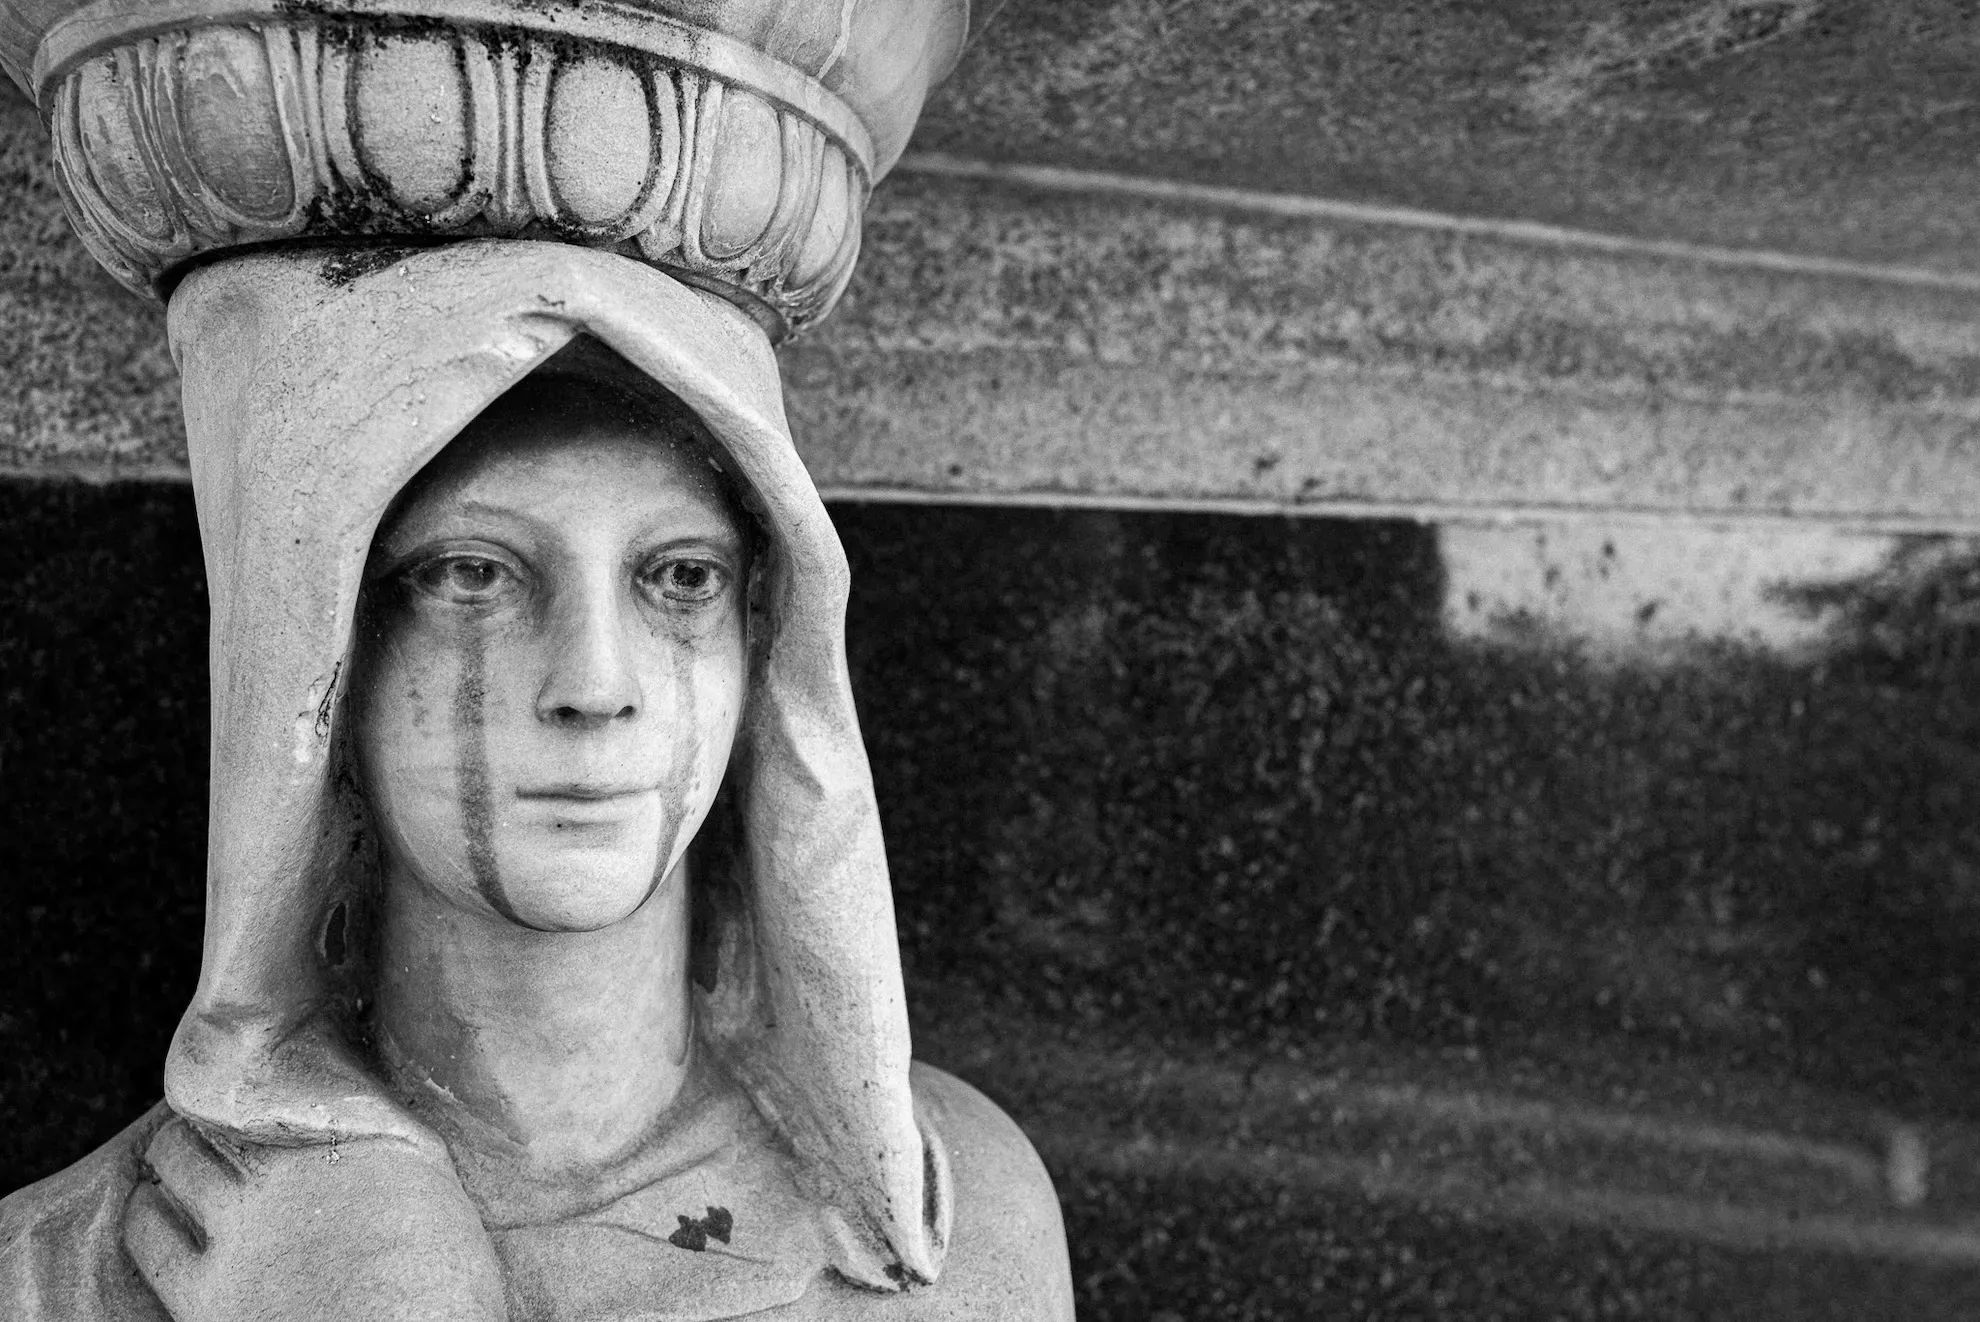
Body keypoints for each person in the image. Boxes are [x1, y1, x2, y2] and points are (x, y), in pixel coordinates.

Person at [0, 241, 1073, 1320]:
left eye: (681, 577)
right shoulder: (65, 1270)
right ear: (324, 658)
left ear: (762, 651)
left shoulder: (962, 1232)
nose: (594, 683)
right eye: (474, 573)